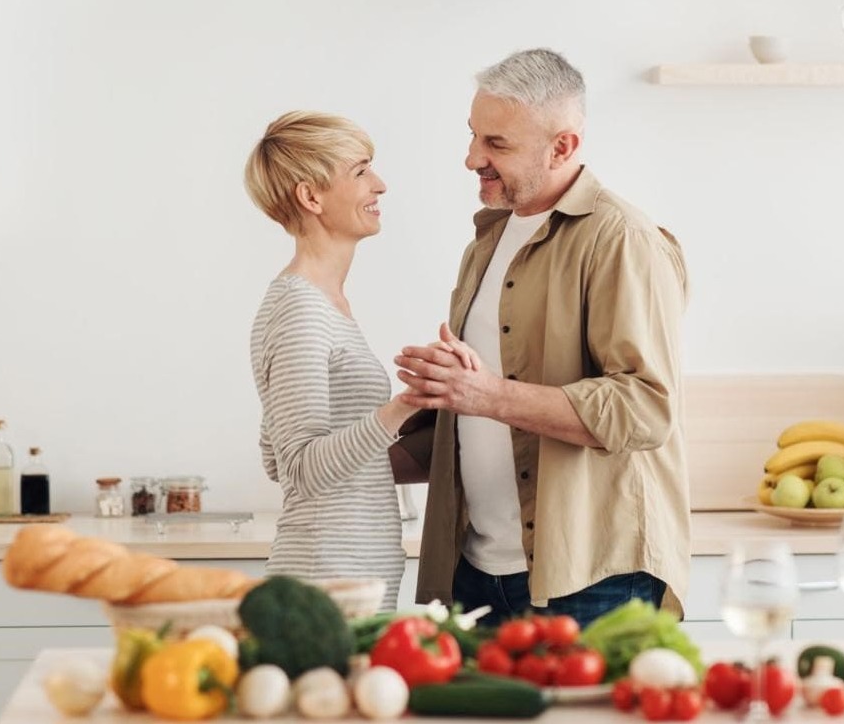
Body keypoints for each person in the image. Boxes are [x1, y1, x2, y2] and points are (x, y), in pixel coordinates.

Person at [392, 48, 691, 627]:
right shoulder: (489, 238)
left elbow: (646, 408)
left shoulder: (622, 239)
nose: (472, 158)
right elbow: (472, 419)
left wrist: (485, 394)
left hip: (591, 576)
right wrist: (347, 462)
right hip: (478, 571)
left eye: (496, 144)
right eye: (474, 136)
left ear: (563, 147)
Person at [243, 110, 420, 611]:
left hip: (346, 581)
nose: (379, 184)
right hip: (324, 586)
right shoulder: (301, 308)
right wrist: (402, 407)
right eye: (361, 170)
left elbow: (273, 453)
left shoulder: (325, 303)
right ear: (311, 196)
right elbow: (299, 468)